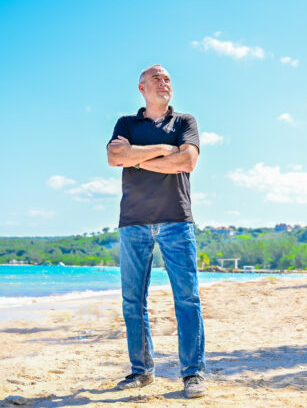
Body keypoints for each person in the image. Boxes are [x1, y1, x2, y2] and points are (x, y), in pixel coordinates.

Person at [106, 64, 206, 399]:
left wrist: (135, 158)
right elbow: (113, 156)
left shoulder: (185, 122)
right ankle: (141, 371)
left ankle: (192, 374)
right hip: (133, 221)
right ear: (141, 88)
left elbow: (187, 162)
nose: (164, 82)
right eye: (156, 79)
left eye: (167, 79)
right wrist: (165, 150)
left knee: (187, 298)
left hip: (176, 219)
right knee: (133, 301)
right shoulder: (126, 123)